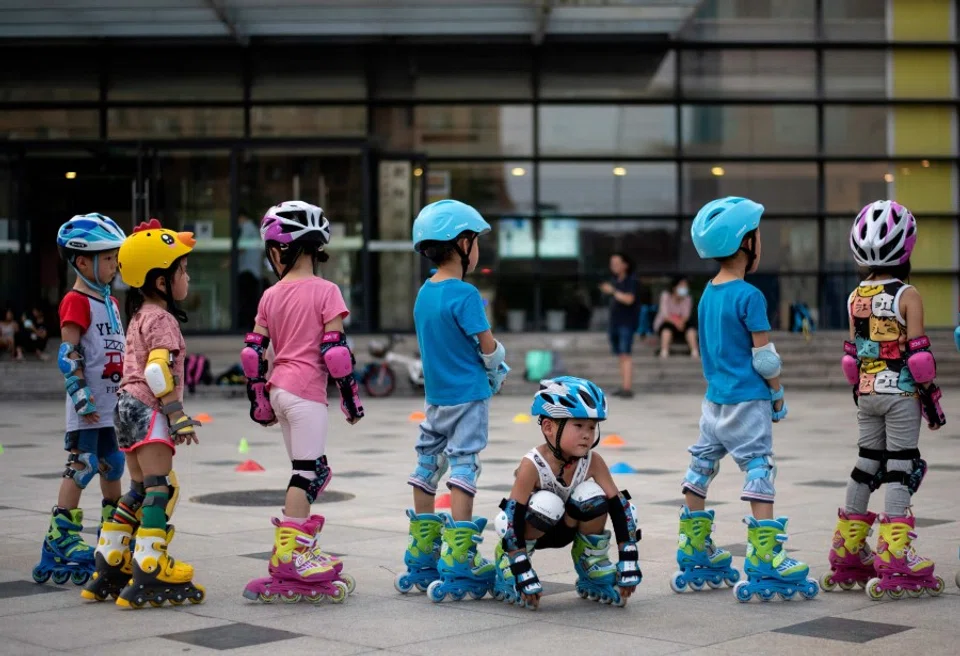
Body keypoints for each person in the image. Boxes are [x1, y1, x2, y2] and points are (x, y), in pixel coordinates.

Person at [673, 196, 819, 602]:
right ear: (746, 243)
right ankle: (767, 557)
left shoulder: (706, 293)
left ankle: (693, 546)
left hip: (714, 401)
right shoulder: (749, 296)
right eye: (758, 236)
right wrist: (777, 395)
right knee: (759, 468)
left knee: (701, 466)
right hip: (748, 399)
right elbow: (765, 358)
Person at [821, 200, 947, 600]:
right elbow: (920, 357)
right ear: (907, 248)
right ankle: (895, 554)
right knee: (899, 466)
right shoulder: (908, 293)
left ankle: (848, 549)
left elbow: (852, 356)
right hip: (900, 393)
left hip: (867, 393)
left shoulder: (854, 296)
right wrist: (931, 402)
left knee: (864, 465)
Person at [241, 201, 362, 604]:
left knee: (313, 471)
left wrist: (260, 398)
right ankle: (290, 556)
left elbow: (253, 352)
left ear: (279, 250)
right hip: (307, 392)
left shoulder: (270, 295)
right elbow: (335, 352)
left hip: (279, 391)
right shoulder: (327, 291)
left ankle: (300, 549)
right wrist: (349, 398)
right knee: (306, 474)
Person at [81, 218, 205, 608]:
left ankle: (111, 562)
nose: (186, 277)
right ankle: (151, 567)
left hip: (125, 407)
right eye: (181, 270)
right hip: (149, 406)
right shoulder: (163, 319)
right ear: (160, 281)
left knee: (136, 489)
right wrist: (176, 414)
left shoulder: (138, 316)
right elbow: (157, 370)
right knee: (159, 487)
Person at [394, 199, 509, 602]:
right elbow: (487, 344)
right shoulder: (465, 294)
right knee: (464, 463)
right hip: (468, 396)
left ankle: (423, 552)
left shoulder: (425, 293)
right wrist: (498, 365)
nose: (477, 249)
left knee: (427, 462)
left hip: (436, 398)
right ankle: (461, 557)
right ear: (462, 243)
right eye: (475, 241)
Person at [32, 214, 127, 588]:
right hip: (88, 406)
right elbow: (68, 354)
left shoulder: (112, 303)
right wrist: (80, 392)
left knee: (114, 464)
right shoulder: (76, 301)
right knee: (83, 464)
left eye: (115, 256)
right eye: (108, 257)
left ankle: (114, 531)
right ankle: (60, 536)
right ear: (81, 261)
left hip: (112, 406)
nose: (114, 264)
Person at [490, 377, 641, 610]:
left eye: (592, 427)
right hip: (532, 532)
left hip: (571, 528)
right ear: (549, 427)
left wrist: (628, 558)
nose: (587, 435)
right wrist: (520, 567)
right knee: (546, 503)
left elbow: (620, 507)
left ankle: (591, 562)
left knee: (593, 495)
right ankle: (506, 565)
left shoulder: (593, 461)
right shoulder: (532, 464)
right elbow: (512, 517)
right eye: (578, 425)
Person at [599, 252, 640, 398]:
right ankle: (624, 386)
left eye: (616, 263)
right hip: (615, 322)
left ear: (625, 265)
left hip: (626, 323)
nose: (613, 267)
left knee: (625, 354)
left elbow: (629, 299)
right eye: (612, 264)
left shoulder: (631, 280)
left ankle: (627, 388)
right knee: (621, 355)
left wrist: (613, 291)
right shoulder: (615, 280)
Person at [654, 275, 700, 359]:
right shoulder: (665, 296)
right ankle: (664, 351)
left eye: (686, 286)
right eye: (682, 285)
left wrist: (681, 323)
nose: (684, 288)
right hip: (667, 322)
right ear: (674, 287)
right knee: (666, 330)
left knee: (691, 330)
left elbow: (686, 315)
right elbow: (665, 315)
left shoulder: (688, 298)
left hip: (682, 324)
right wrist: (676, 323)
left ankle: (695, 351)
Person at [236, 210, 264, 330]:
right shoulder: (253, 229)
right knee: (251, 300)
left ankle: (246, 326)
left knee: (246, 301)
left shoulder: (248, 227)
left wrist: (230, 261)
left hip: (248, 271)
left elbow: (241, 247)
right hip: (254, 271)